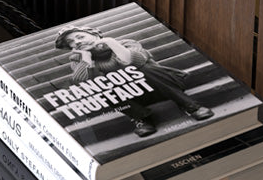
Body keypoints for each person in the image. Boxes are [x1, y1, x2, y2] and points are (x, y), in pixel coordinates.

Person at [54, 25, 213, 138]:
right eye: (72, 42)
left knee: (144, 69)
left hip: (163, 84)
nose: (78, 42)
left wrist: (110, 42)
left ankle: (190, 105)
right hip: (134, 98)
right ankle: (142, 118)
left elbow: (135, 61)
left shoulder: (125, 43)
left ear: (95, 35)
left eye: (80, 36)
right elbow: (83, 82)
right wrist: (87, 59)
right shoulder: (79, 59)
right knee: (98, 87)